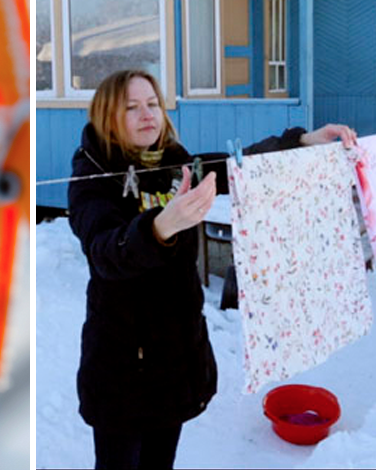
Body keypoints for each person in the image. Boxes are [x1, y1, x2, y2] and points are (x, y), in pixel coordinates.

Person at [67, 69, 357, 469]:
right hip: (122, 368)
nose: (146, 114)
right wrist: (160, 226)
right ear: (106, 115)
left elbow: (236, 166)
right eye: (131, 107)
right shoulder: (92, 177)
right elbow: (104, 251)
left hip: (174, 358)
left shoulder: (173, 164)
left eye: (152, 103)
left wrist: (302, 142)